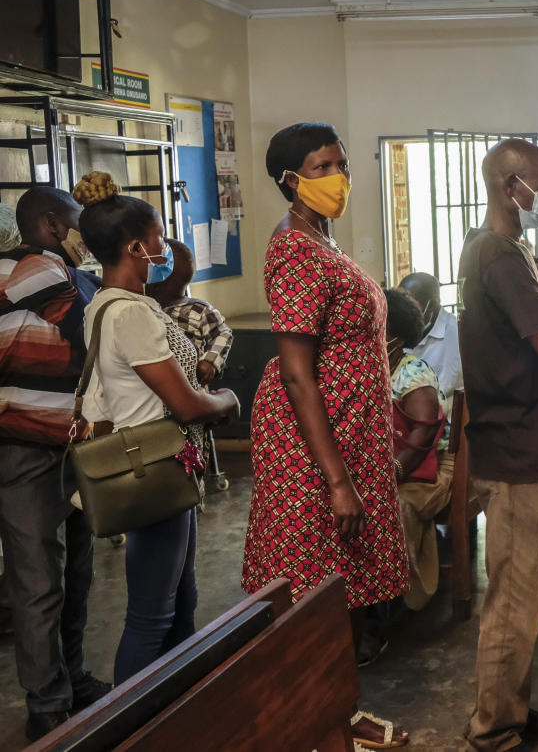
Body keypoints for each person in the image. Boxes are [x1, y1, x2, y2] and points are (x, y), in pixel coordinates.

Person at [243, 123, 409, 749]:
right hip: (313, 441)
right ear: (290, 178)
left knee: (341, 579)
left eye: (339, 163)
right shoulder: (292, 248)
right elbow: (295, 371)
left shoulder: (322, 239)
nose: (337, 175)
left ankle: (336, 715)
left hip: (351, 431)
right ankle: (321, 721)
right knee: (314, 585)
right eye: (321, 166)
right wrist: (336, 477)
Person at [75, 178, 240, 687]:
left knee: (181, 598)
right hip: (150, 466)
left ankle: (177, 709)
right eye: (159, 239)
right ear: (134, 247)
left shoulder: (103, 304)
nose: (163, 249)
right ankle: (131, 724)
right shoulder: (131, 315)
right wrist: (228, 402)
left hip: (169, 463)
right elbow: (187, 405)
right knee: (151, 617)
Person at [458, 138, 538, 751]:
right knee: (513, 598)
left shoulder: (503, 248)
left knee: (524, 592)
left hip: (519, 439)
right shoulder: (501, 257)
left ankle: (511, 705)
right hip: (516, 448)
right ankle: (493, 728)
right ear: (510, 186)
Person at [0, 186, 110, 741]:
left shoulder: (45, 270)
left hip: (66, 443)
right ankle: (48, 703)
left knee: (75, 571)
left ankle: (71, 679)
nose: (84, 237)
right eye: (77, 226)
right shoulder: (35, 268)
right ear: (50, 225)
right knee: (40, 579)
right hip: (29, 448)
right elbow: (96, 319)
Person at [384, 288, 453, 611]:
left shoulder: (412, 373)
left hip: (432, 463)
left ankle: (398, 602)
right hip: (395, 462)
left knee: (394, 506)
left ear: (394, 336)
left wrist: (388, 474)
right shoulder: (373, 369)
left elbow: (423, 436)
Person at [145, 238, 234, 385]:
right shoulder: (142, 307)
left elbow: (222, 333)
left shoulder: (198, 310)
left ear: (156, 284)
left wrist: (210, 362)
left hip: (191, 384)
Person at [398, 271, 462, 403]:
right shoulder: (397, 332)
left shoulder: (457, 335)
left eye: (410, 305)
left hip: (444, 418)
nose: (403, 312)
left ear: (431, 306)